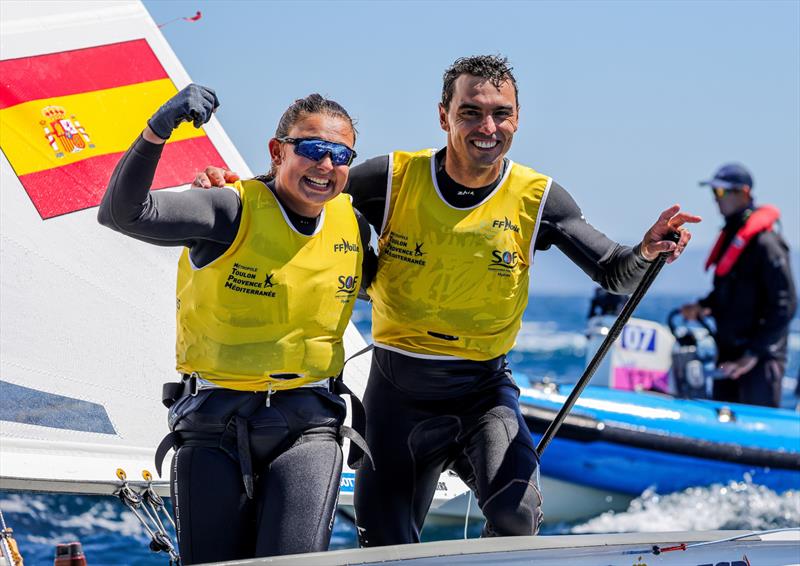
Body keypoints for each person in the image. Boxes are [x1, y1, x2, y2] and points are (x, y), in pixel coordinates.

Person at [194, 55, 700, 546]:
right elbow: (303, 187)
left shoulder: (539, 198)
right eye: (471, 112)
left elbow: (614, 270)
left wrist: (647, 250)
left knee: (514, 514)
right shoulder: (392, 179)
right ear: (444, 116)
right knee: (386, 546)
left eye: (501, 113)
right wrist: (233, 188)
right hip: (396, 397)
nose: (488, 126)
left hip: (482, 394)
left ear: (517, 119)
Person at [98, 85, 376, 563]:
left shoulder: (352, 224)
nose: (325, 165)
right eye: (311, 149)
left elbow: (403, 285)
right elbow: (123, 214)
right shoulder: (227, 209)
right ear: (277, 151)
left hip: (307, 425)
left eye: (340, 154)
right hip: (213, 425)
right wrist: (157, 129)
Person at [681, 163, 796, 408]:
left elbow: (785, 305)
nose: (716, 200)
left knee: (757, 429)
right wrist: (702, 306)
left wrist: (752, 355)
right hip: (729, 356)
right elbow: (728, 292)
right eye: (714, 193)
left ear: (743, 193)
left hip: (759, 360)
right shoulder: (732, 239)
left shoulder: (767, 243)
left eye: (721, 193)